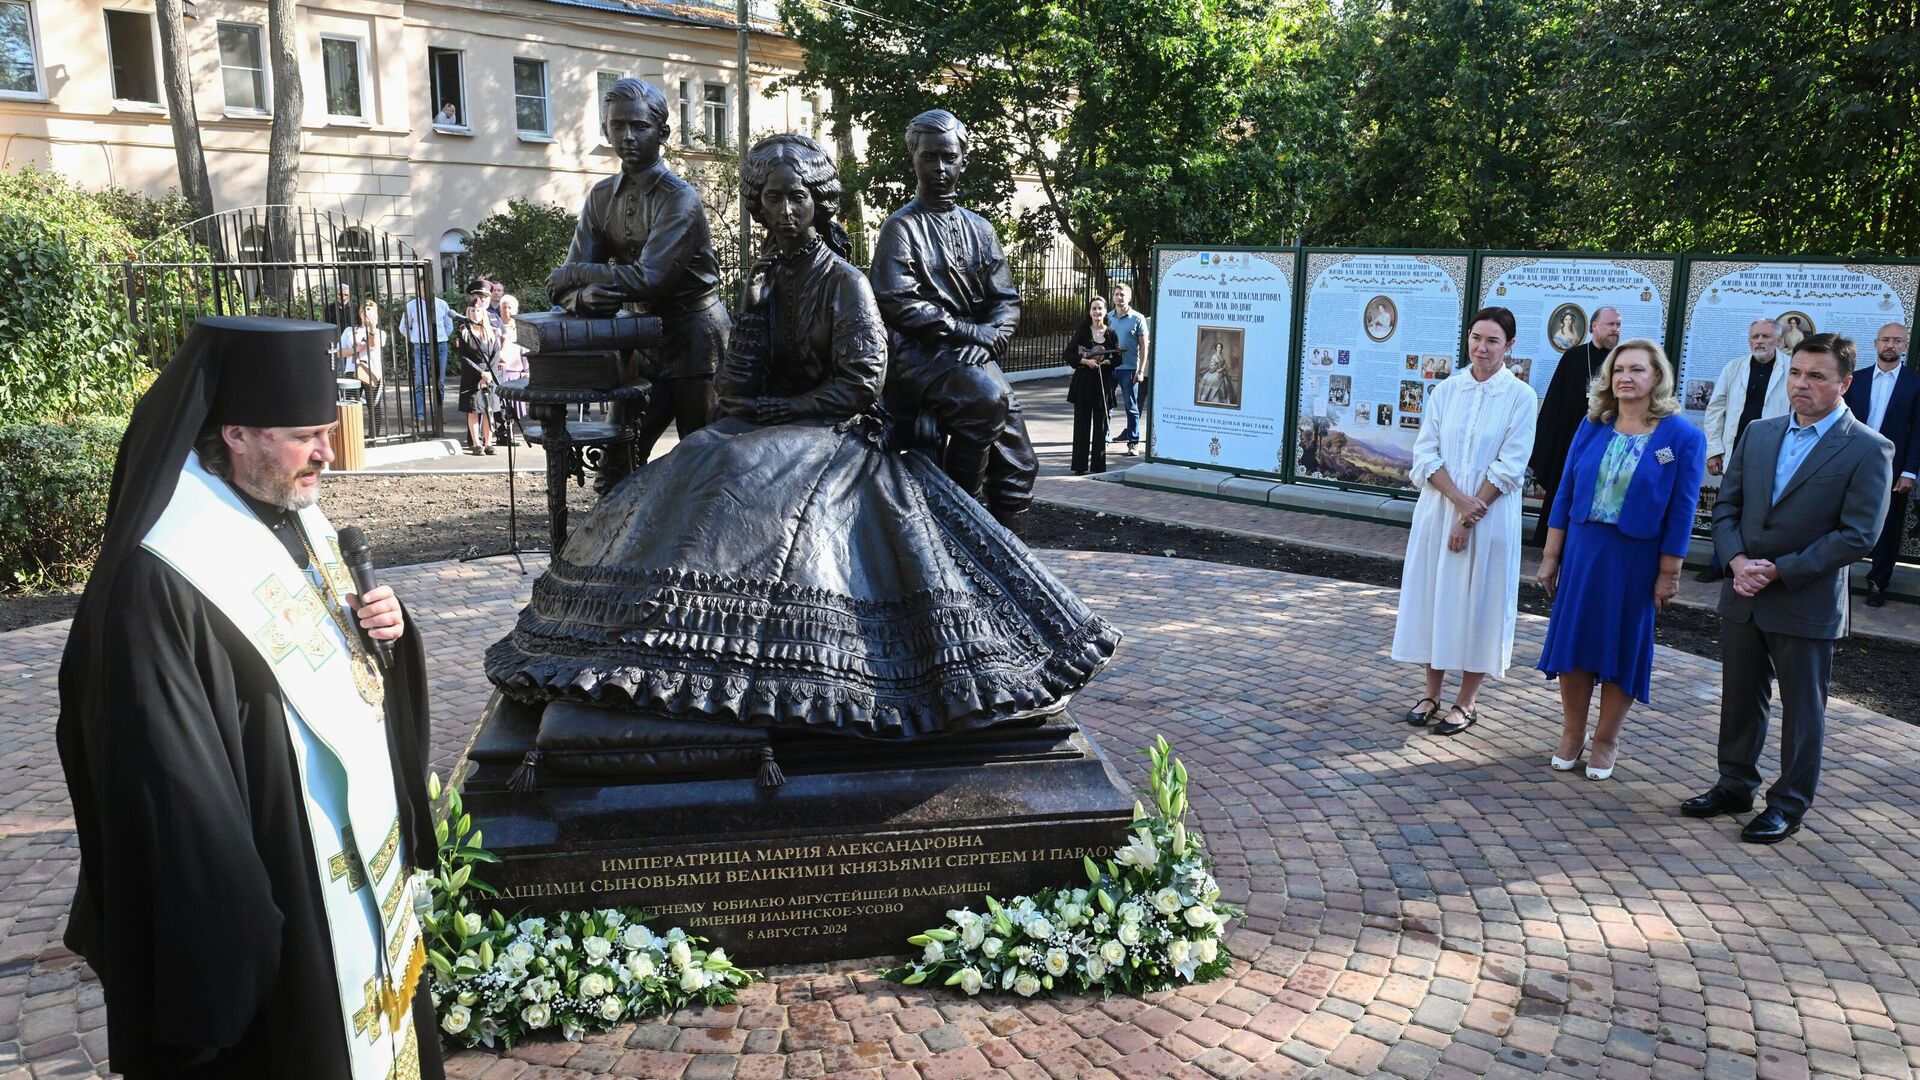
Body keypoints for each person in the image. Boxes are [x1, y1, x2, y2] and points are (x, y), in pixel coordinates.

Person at [485, 133, 1118, 737]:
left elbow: (862, 384)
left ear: (819, 204)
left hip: (836, 434)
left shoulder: (845, 282)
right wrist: (755, 314)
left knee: (747, 470)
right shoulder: (765, 283)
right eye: (773, 199)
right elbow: (733, 392)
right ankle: (660, 630)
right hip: (771, 428)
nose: (786, 211)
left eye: (798, 198)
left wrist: (780, 408)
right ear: (757, 206)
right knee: (701, 455)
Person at [56, 316, 442, 1079]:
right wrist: (240, 933)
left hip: (353, 857)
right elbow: (171, 783)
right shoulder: (164, 572)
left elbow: (342, 668)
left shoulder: (291, 505)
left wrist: (389, 638)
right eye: (307, 435)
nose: (328, 453)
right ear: (236, 434)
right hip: (280, 878)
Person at [1683, 333, 1893, 843]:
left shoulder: (1868, 448)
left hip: (1804, 597)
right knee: (1739, 698)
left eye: (1816, 376)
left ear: (1844, 383)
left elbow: (1858, 535)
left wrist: (1781, 569)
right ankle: (1734, 785)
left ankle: (1789, 803)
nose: (1802, 384)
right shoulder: (1759, 433)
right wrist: (1735, 560)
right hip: (1745, 592)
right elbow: (1727, 506)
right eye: (1796, 373)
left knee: (1803, 709)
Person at [1535, 340, 1706, 779]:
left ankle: (1607, 738)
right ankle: (1572, 733)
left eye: (1637, 369)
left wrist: (1670, 572)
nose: (1626, 377)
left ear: (1657, 377)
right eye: (1618, 370)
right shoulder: (1592, 425)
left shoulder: (1682, 437)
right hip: (1584, 552)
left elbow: (1682, 509)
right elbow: (1565, 493)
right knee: (1574, 644)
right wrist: (1551, 556)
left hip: (1637, 559)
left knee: (1621, 646)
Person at [546, 77, 728, 482]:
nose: (627, 136)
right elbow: (559, 288)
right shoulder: (600, 197)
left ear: (661, 133)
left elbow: (649, 278)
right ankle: (615, 543)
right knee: (616, 465)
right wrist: (584, 299)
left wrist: (577, 274)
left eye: (639, 126)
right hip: (641, 341)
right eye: (617, 125)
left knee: (702, 464)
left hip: (696, 340)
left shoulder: (680, 198)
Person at [869, 109, 1037, 536]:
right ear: (914, 160)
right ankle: (956, 522)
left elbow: (1006, 302)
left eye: (948, 157)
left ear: (963, 160)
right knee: (984, 399)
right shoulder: (900, 228)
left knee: (1020, 465)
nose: (939, 168)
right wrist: (967, 333)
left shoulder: (980, 229)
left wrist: (987, 341)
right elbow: (898, 302)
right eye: (929, 157)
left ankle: (1013, 564)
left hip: (971, 353)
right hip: (919, 354)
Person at [1391, 307, 1536, 734]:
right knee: (1434, 596)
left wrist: (1470, 516)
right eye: (1476, 338)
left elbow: (1511, 464)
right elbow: (1425, 453)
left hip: (1489, 518)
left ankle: (1466, 701)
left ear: (1509, 346)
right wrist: (1457, 502)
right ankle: (1431, 692)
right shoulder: (1447, 390)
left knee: (1480, 602)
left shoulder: (1521, 397)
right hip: (1440, 510)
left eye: (1493, 340)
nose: (1482, 348)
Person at [1697, 319, 1791, 580]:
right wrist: (1714, 450)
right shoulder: (1734, 367)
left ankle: (1758, 564)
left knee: (1765, 513)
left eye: (1766, 337)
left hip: (1773, 453)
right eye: (1755, 337)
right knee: (1728, 509)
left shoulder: (1791, 369)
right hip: (1736, 451)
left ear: (1779, 340)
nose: (1759, 342)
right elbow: (1716, 409)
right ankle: (1721, 563)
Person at [1842, 322, 1919, 607]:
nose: (1890, 345)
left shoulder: (1915, 382)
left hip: (1894, 467)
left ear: (1905, 346)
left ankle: (1877, 582)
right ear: (1875, 343)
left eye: (1897, 340)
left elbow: (1918, 431)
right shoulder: (1856, 379)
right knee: (1843, 518)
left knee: (1888, 525)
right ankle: (1838, 578)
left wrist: (1909, 471)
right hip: (1852, 462)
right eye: (1885, 339)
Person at [1529, 306, 1620, 545]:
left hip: (1606, 441)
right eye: (1611, 324)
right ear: (1594, 326)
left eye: (1618, 325)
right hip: (1570, 440)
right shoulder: (1573, 357)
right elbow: (1554, 404)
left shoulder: (1620, 361)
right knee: (1563, 488)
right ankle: (1552, 542)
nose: (1615, 330)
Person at [1064, 296, 1120, 475]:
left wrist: (1106, 362)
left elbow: (1118, 357)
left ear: (1105, 311)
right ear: (1090, 312)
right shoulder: (1083, 331)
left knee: (1100, 426)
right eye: (1094, 308)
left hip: (1103, 383)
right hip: (1083, 383)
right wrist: (1085, 361)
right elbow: (1068, 354)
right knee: (1082, 425)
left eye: (1100, 308)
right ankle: (1080, 466)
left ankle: (1098, 466)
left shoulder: (1111, 333)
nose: (1097, 312)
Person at [453, 279, 501, 455]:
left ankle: (488, 443)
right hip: (472, 375)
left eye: (478, 310)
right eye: (472, 310)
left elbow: (496, 353)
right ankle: (476, 443)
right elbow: (463, 357)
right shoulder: (463, 330)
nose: (475, 313)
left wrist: (488, 375)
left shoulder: (491, 329)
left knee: (489, 410)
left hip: (490, 375)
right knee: (474, 410)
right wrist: (481, 373)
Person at [399, 278, 454, 425]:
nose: (427, 290)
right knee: (420, 383)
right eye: (423, 287)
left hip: (440, 346)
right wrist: (415, 338)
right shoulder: (411, 306)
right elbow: (403, 327)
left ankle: (439, 414)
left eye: (429, 286)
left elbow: (449, 325)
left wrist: (441, 337)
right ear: (419, 289)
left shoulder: (442, 304)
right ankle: (420, 416)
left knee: (439, 382)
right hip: (421, 347)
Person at [1106, 282, 1150, 454]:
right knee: (1106, 405)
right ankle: (1105, 438)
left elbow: (1144, 346)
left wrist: (1141, 371)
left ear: (1129, 297)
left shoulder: (1137, 318)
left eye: (1122, 294)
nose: (1119, 297)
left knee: (1131, 407)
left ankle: (1133, 442)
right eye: (1116, 294)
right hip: (1109, 367)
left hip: (1129, 369)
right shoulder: (1107, 317)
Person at [495, 293, 529, 436]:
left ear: (515, 310)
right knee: (500, 404)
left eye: (510, 308)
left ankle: (510, 431)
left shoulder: (520, 329)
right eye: (504, 307)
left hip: (515, 371)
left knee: (513, 406)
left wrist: (527, 370)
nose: (507, 311)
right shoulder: (495, 326)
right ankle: (501, 432)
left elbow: (525, 350)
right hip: (499, 370)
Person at [336, 298, 385, 388]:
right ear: (360, 314)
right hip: (352, 371)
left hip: (373, 371)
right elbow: (338, 353)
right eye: (365, 311)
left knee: (373, 402)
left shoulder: (380, 333)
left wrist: (372, 327)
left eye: (371, 311)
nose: (367, 314)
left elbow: (373, 344)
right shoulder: (349, 331)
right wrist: (355, 349)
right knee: (351, 401)